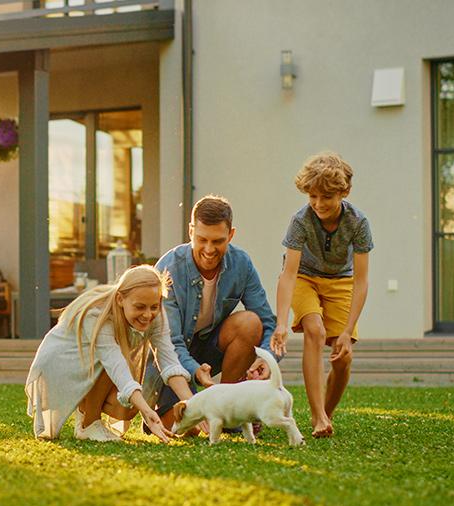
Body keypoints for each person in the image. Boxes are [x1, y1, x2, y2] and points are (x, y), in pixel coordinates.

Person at [143, 195, 277, 431]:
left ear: (231, 235)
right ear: (190, 231)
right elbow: (170, 343)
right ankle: (168, 410)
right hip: (170, 357)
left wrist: (266, 358)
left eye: (218, 241)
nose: (209, 249)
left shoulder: (241, 264)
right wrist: (195, 371)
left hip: (210, 347)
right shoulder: (169, 267)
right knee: (189, 428)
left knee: (250, 323)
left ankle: (228, 410)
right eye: (201, 239)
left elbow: (267, 322)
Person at [25, 265, 194, 442]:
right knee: (117, 370)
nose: (148, 314)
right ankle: (88, 424)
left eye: (154, 306)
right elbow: (114, 364)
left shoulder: (155, 314)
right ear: (120, 299)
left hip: (93, 364)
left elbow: (169, 362)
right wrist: (147, 411)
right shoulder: (98, 314)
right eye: (140, 307)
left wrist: (195, 407)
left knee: (127, 408)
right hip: (61, 364)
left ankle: (86, 414)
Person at [271, 152, 373, 438]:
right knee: (314, 330)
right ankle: (317, 416)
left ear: (344, 192)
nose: (318, 204)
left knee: (342, 358)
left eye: (326, 197)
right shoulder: (301, 221)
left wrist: (348, 329)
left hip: (341, 281)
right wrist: (281, 323)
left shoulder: (358, 222)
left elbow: (362, 280)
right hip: (305, 278)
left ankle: (325, 416)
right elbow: (288, 274)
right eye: (312, 196)